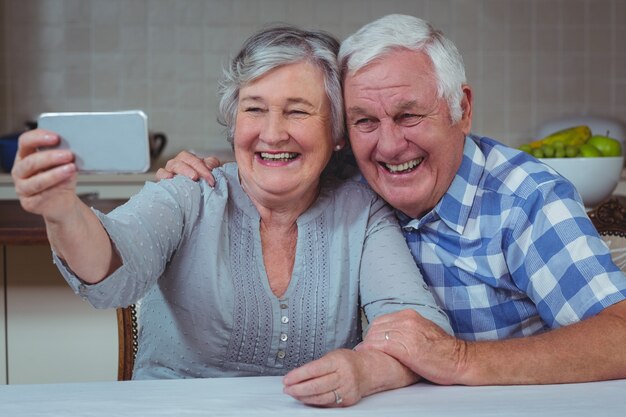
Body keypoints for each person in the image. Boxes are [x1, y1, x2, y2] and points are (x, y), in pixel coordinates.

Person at [159, 14, 626, 386]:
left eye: (409, 115)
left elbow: (620, 335)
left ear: (462, 109)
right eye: (364, 121)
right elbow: (279, 153)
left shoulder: (524, 200)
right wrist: (200, 173)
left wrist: (461, 360)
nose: (388, 146)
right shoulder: (348, 180)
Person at [11, 25, 452, 407]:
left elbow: (421, 330)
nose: (272, 132)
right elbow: (109, 268)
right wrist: (62, 210)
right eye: (254, 108)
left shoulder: (361, 212)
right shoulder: (191, 192)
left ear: (336, 132)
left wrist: (365, 370)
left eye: (297, 111)